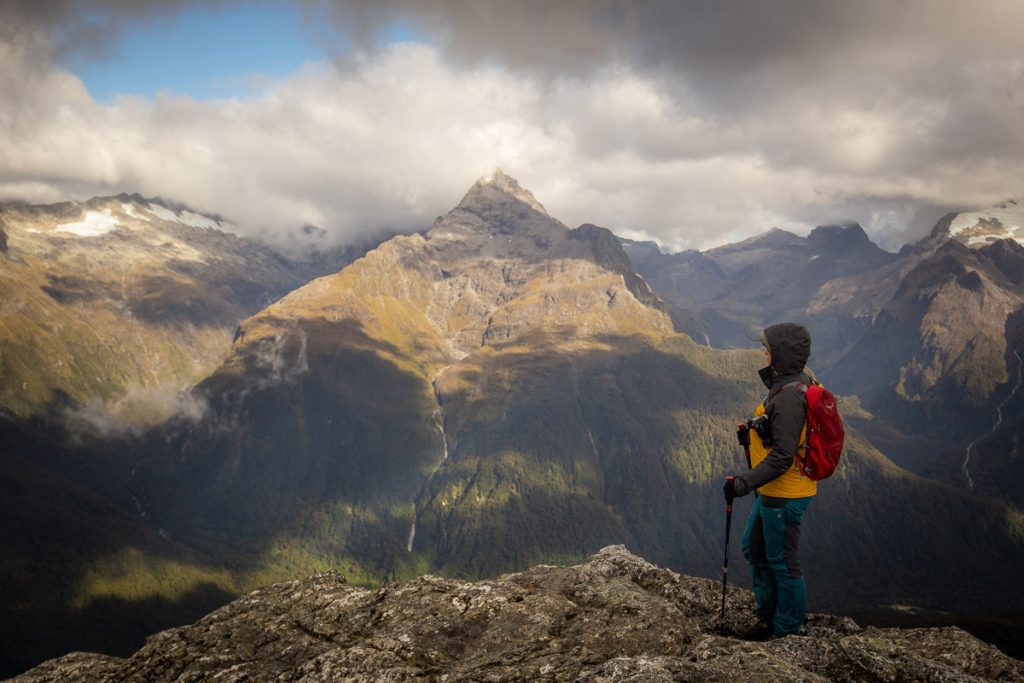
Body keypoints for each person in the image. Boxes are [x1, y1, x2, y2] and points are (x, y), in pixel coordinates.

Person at [723, 322, 815, 639]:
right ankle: (768, 616)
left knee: (783, 562)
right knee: (755, 548)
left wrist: (742, 484)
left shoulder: (790, 397)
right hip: (773, 491)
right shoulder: (789, 384)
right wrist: (752, 430)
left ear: (781, 355)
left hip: (784, 494)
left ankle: (785, 631)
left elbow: (783, 455)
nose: (763, 352)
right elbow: (781, 434)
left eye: (768, 349)